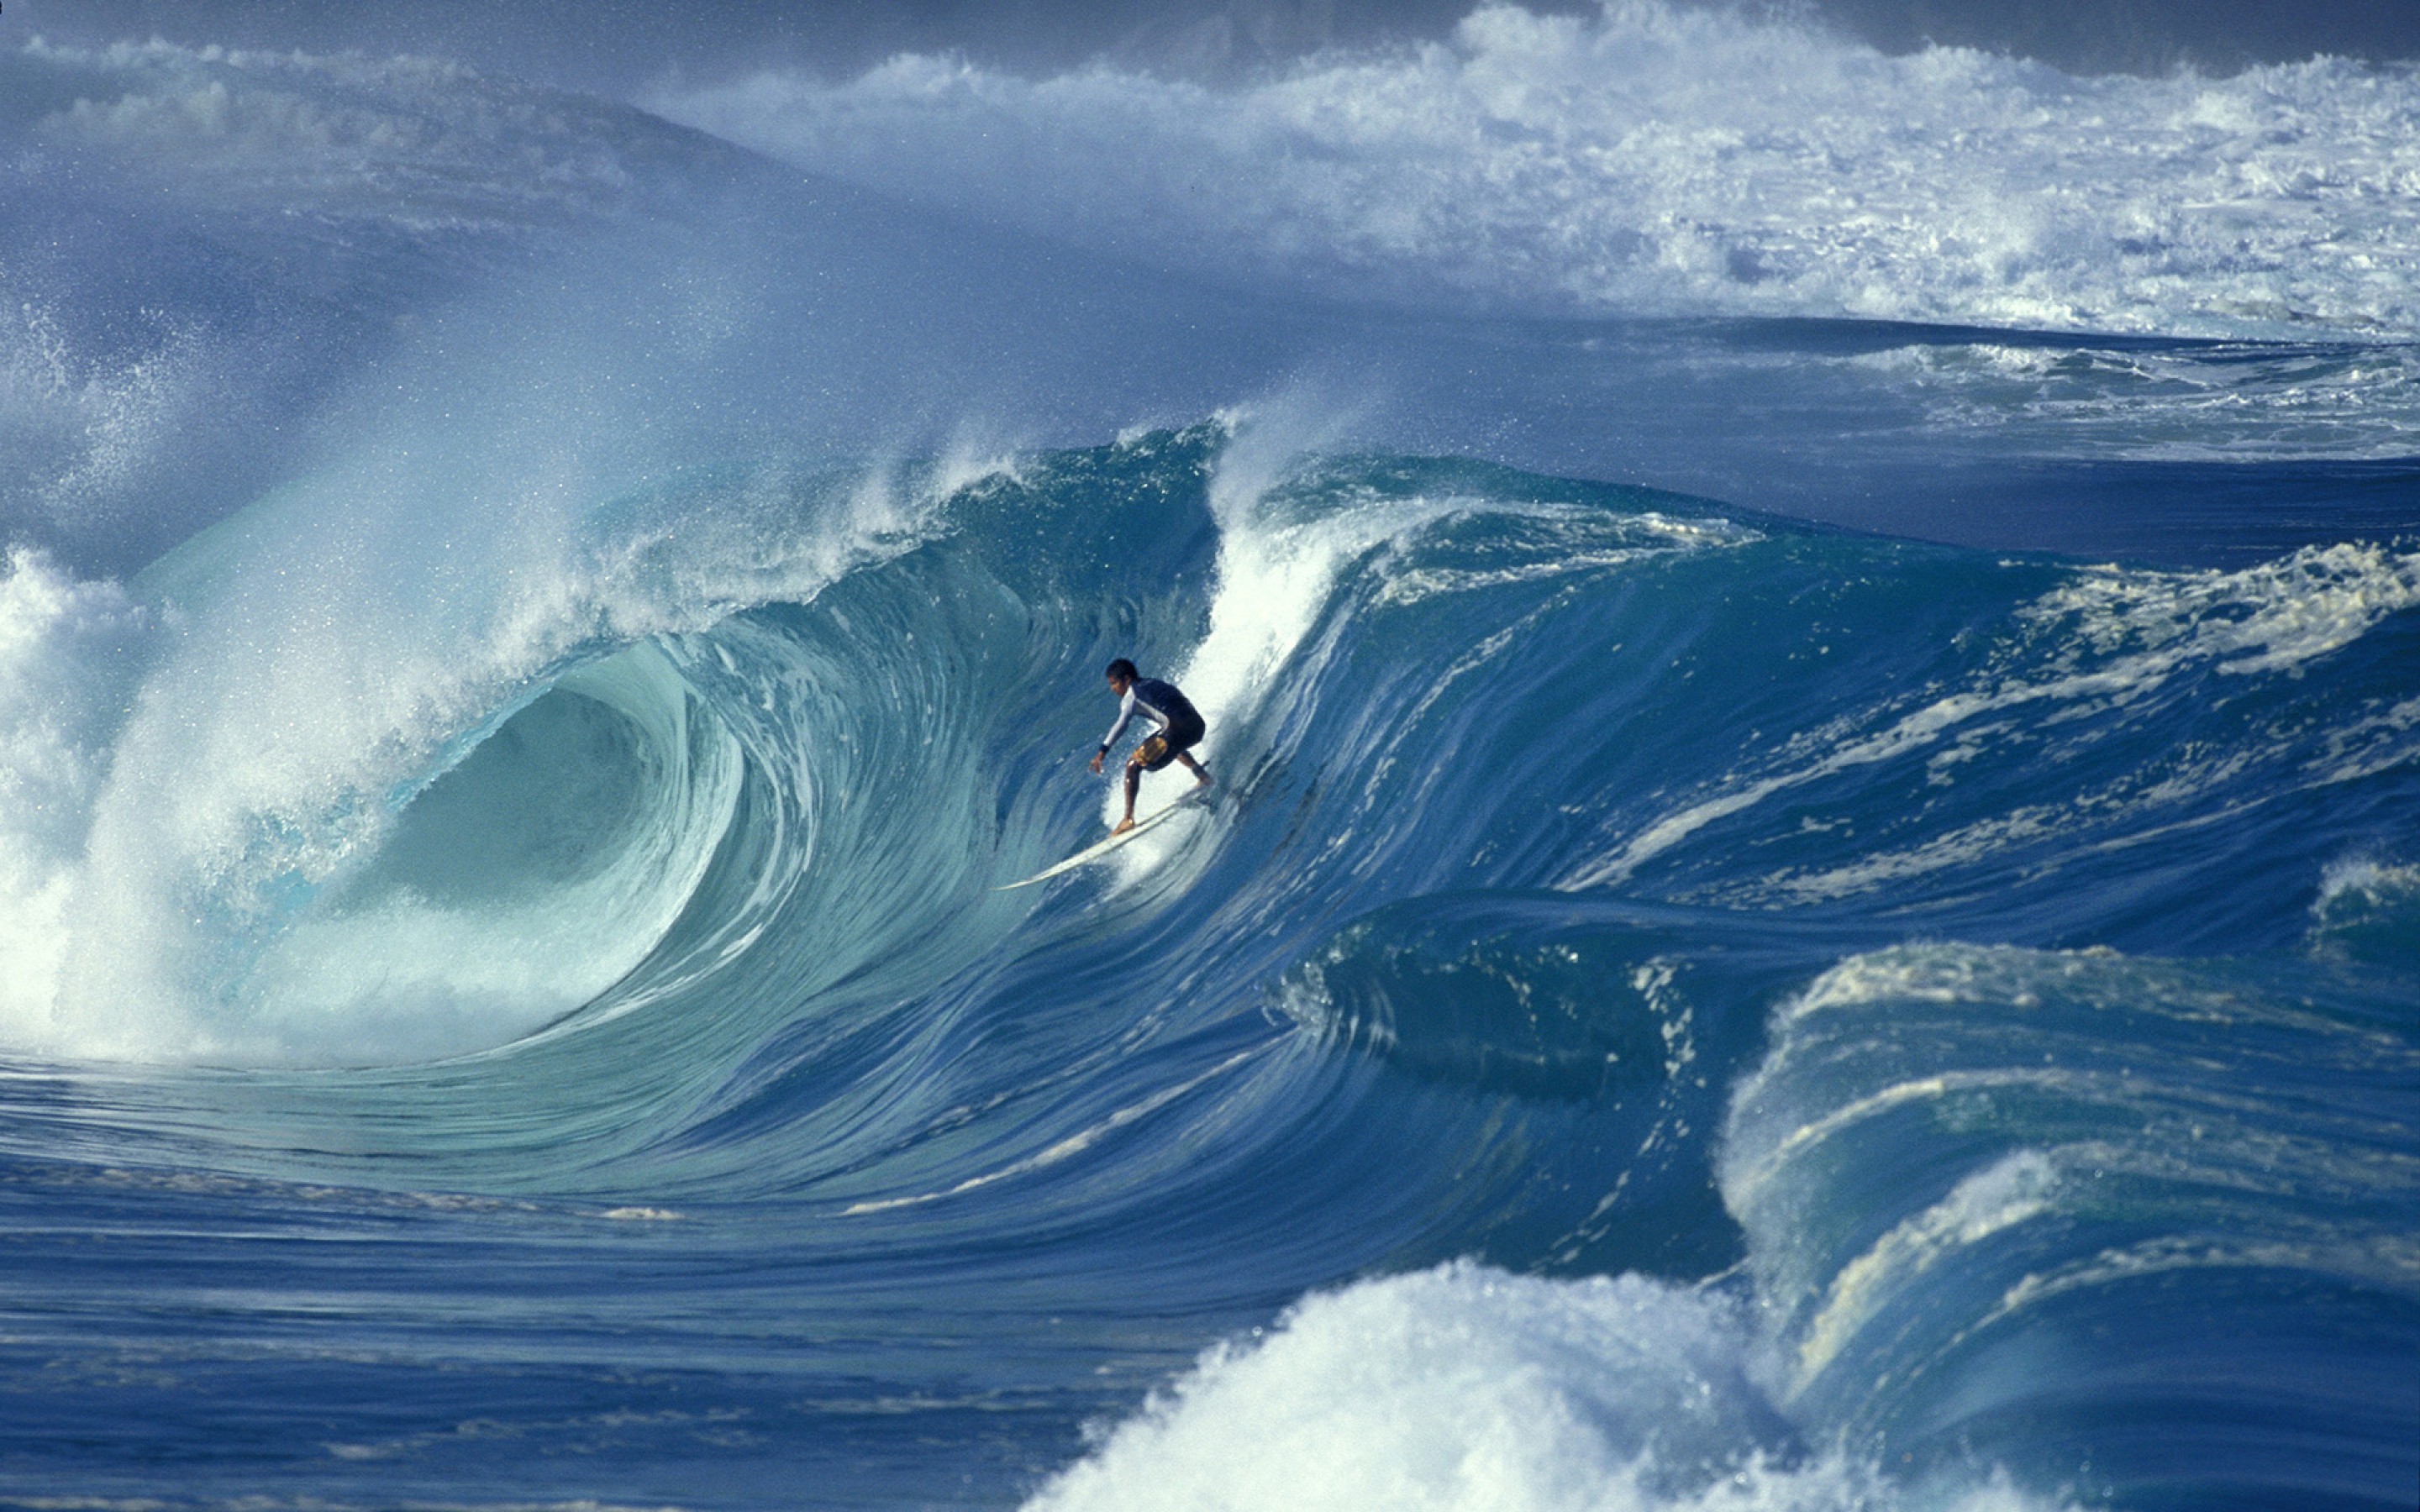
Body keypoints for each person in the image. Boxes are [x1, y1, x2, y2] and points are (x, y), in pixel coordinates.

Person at [1088, 658, 1211, 833]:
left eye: (1114, 683)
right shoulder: (1152, 682)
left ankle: (1128, 819)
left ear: (1126, 680)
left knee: (1132, 765)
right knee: (1167, 742)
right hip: (1198, 727)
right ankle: (1202, 775)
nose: (1112, 689)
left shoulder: (1132, 697)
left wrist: (1102, 752)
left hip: (1179, 731)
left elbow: (1121, 725)